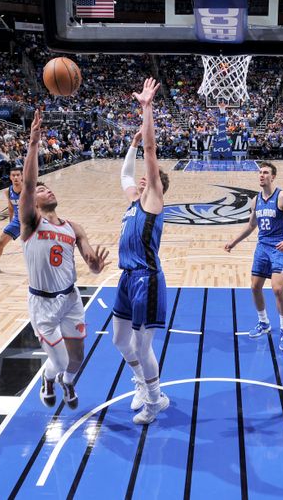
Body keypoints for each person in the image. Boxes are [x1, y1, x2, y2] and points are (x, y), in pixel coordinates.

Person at [19, 110, 110, 410]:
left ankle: (67, 383)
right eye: (42, 189)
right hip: (42, 303)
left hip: (70, 298)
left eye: (50, 187)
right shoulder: (31, 223)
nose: (47, 189)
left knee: (77, 358)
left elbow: (90, 262)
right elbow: (29, 184)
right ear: (34, 200)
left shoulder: (74, 228)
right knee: (57, 361)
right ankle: (48, 379)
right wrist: (33, 144)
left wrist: (95, 266)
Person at [111, 78, 172, 425]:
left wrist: (146, 109)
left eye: (147, 179)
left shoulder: (152, 200)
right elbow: (124, 174)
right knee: (120, 340)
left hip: (146, 279)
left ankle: (154, 399)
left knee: (142, 344)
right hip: (126, 276)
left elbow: (152, 153)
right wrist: (131, 146)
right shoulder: (134, 199)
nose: (139, 181)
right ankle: (140, 382)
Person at [225, 161, 283, 352]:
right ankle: (264, 322)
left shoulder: (282, 197)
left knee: (277, 289)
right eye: (260, 172)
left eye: (265, 172)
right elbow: (252, 225)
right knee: (254, 286)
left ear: (273, 176)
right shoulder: (256, 200)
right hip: (262, 247)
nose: (261, 175)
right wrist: (234, 242)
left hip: (278, 247)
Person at [0, 167, 24, 277]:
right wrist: (10, 222)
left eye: (18, 175)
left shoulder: (28, 189)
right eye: (13, 175)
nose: (16, 177)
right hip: (17, 221)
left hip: (30, 221)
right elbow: (11, 207)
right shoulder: (8, 191)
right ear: (10, 177)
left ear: (22, 176)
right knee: (0, 242)